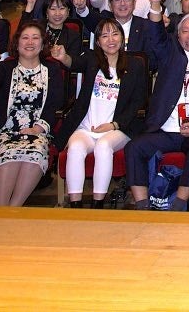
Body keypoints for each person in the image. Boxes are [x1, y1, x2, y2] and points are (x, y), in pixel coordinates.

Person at [125, 12, 189, 211]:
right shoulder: (169, 55)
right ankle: (142, 205)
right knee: (134, 148)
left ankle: (179, 204)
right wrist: (155, 7)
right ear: (178, 36)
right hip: (165, 129)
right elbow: (156, 35)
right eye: (185, 31)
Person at [0, 21, 68, 206]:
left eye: (35, 38)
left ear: (42, 44)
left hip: (37, 132)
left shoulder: (51, 69)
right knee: (10, 152)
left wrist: (38, 128)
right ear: (17, 43)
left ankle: (12, 211)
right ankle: (1, 210)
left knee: (36, 153)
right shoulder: (6, 67)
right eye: (25, 38)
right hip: (5, 131)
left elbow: (56, 103)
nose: (30, 42)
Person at [61, 19, 148, 207]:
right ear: (98, 41)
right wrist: (63, 57)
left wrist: (114, 125)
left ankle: (98, 204)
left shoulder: (135, 64)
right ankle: (75, 206)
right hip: (87, 127)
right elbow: (73, 63)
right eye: (105, 36)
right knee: (75, 147)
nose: (111, 40)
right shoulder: (91, 59)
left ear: (122, 38)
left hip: (117, 128)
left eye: (115, 34)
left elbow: (138, 100)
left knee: (103, 146)